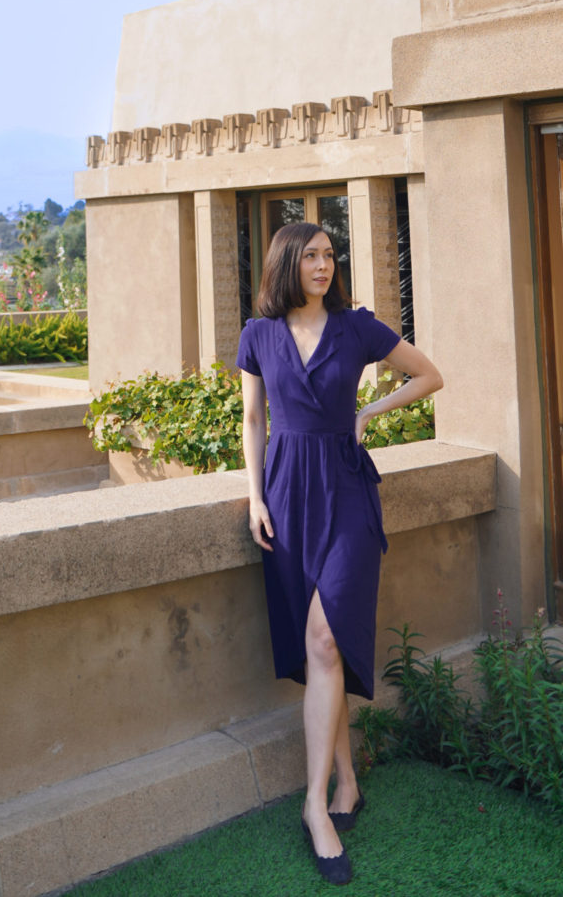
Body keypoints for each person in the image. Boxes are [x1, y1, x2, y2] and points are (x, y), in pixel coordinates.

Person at [237, 222, 443, 886]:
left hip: (348, 492)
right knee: (319, 654)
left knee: (327, 639)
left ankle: (314, 807)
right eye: (313, 255)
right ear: (287, 262)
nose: (324, 265)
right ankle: (348, 782)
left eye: (331, 255)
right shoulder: (257, 333)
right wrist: (255, 498)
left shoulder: (358, 328)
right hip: (288, 497)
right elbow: (252, 421)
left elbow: (430, 376)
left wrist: (366, 413)